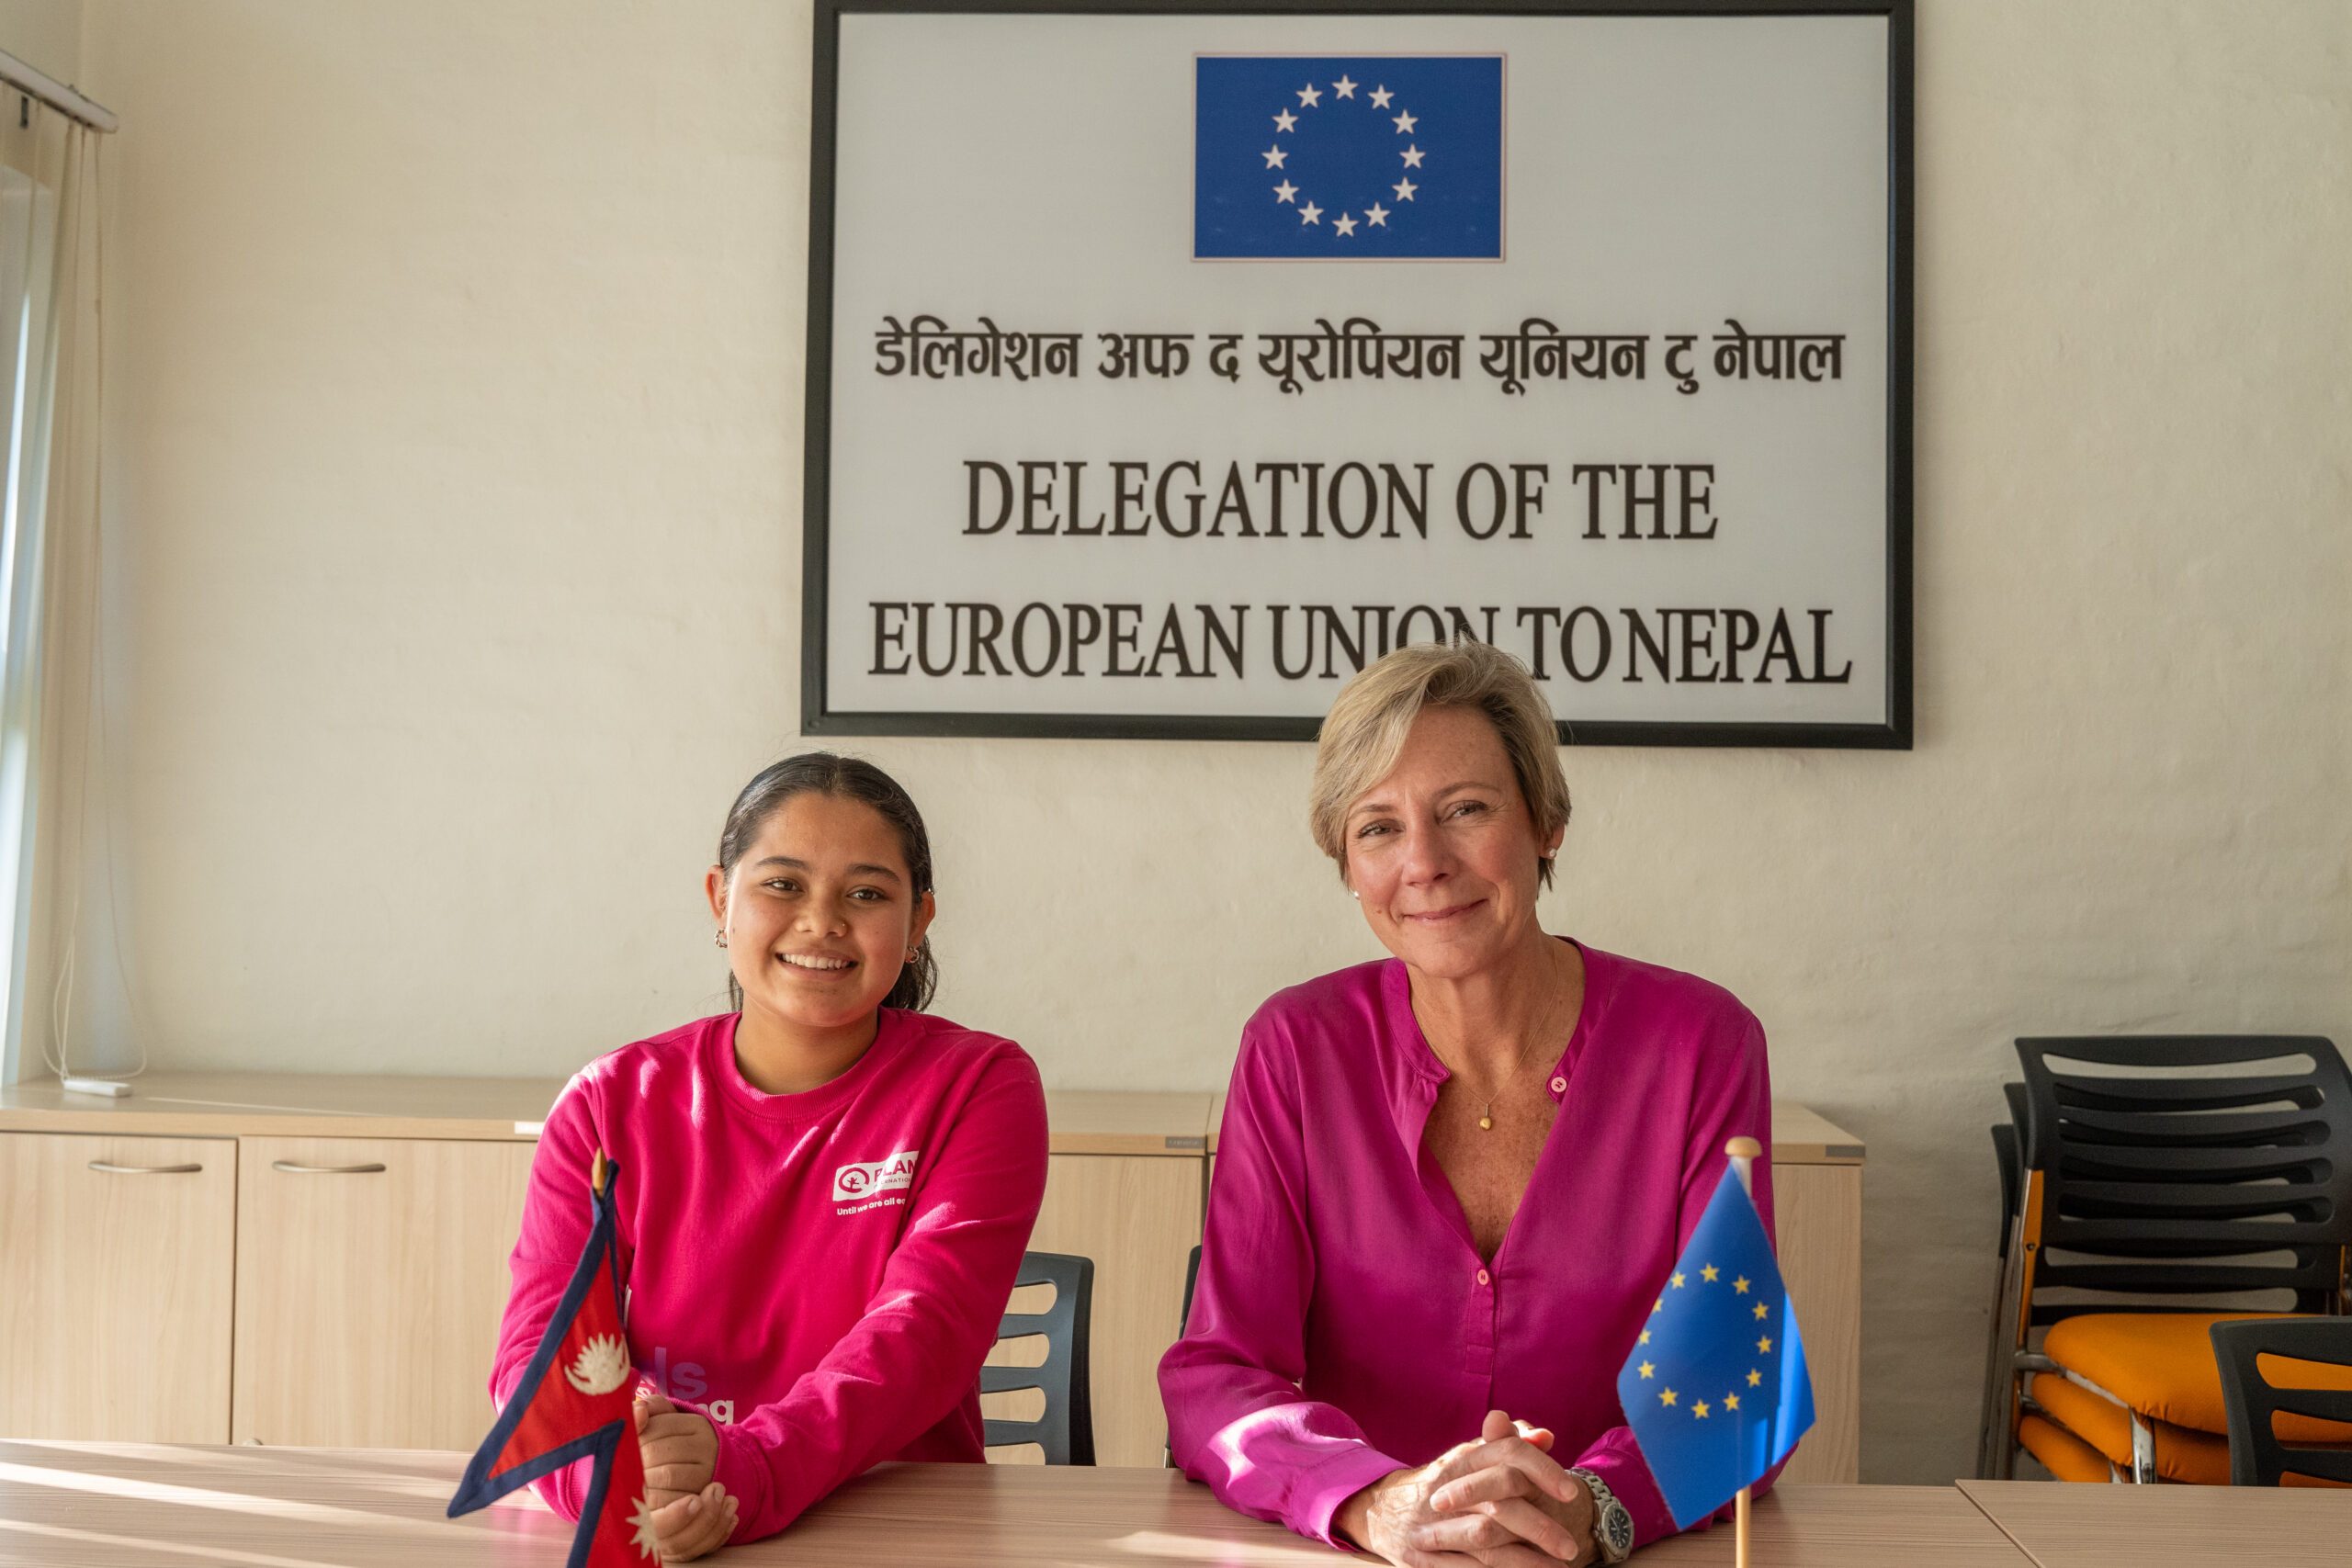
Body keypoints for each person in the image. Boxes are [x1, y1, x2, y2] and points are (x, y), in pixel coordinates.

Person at [1160, 640, 1779, 1567]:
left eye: (1466, 810)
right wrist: (1373, 1501)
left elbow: (1731, 1376)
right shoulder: (1294, 1048)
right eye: (1377, 827)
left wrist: (1592, 1507)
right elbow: (1218, 1375)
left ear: (1545, 822)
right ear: (1345, 861)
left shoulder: (1699, 1044)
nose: (1424, 862)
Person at [492, 752, 1048, 1560]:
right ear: (721, 899)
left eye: (866, 893)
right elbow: (537, 1353)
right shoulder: (607, 1101)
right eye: (782, 884)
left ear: (919, 920)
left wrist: (748, 1466)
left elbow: (922, 1332)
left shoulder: (980, 1085)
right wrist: (621, 1477)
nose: (821, 921)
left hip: (898, 1533)